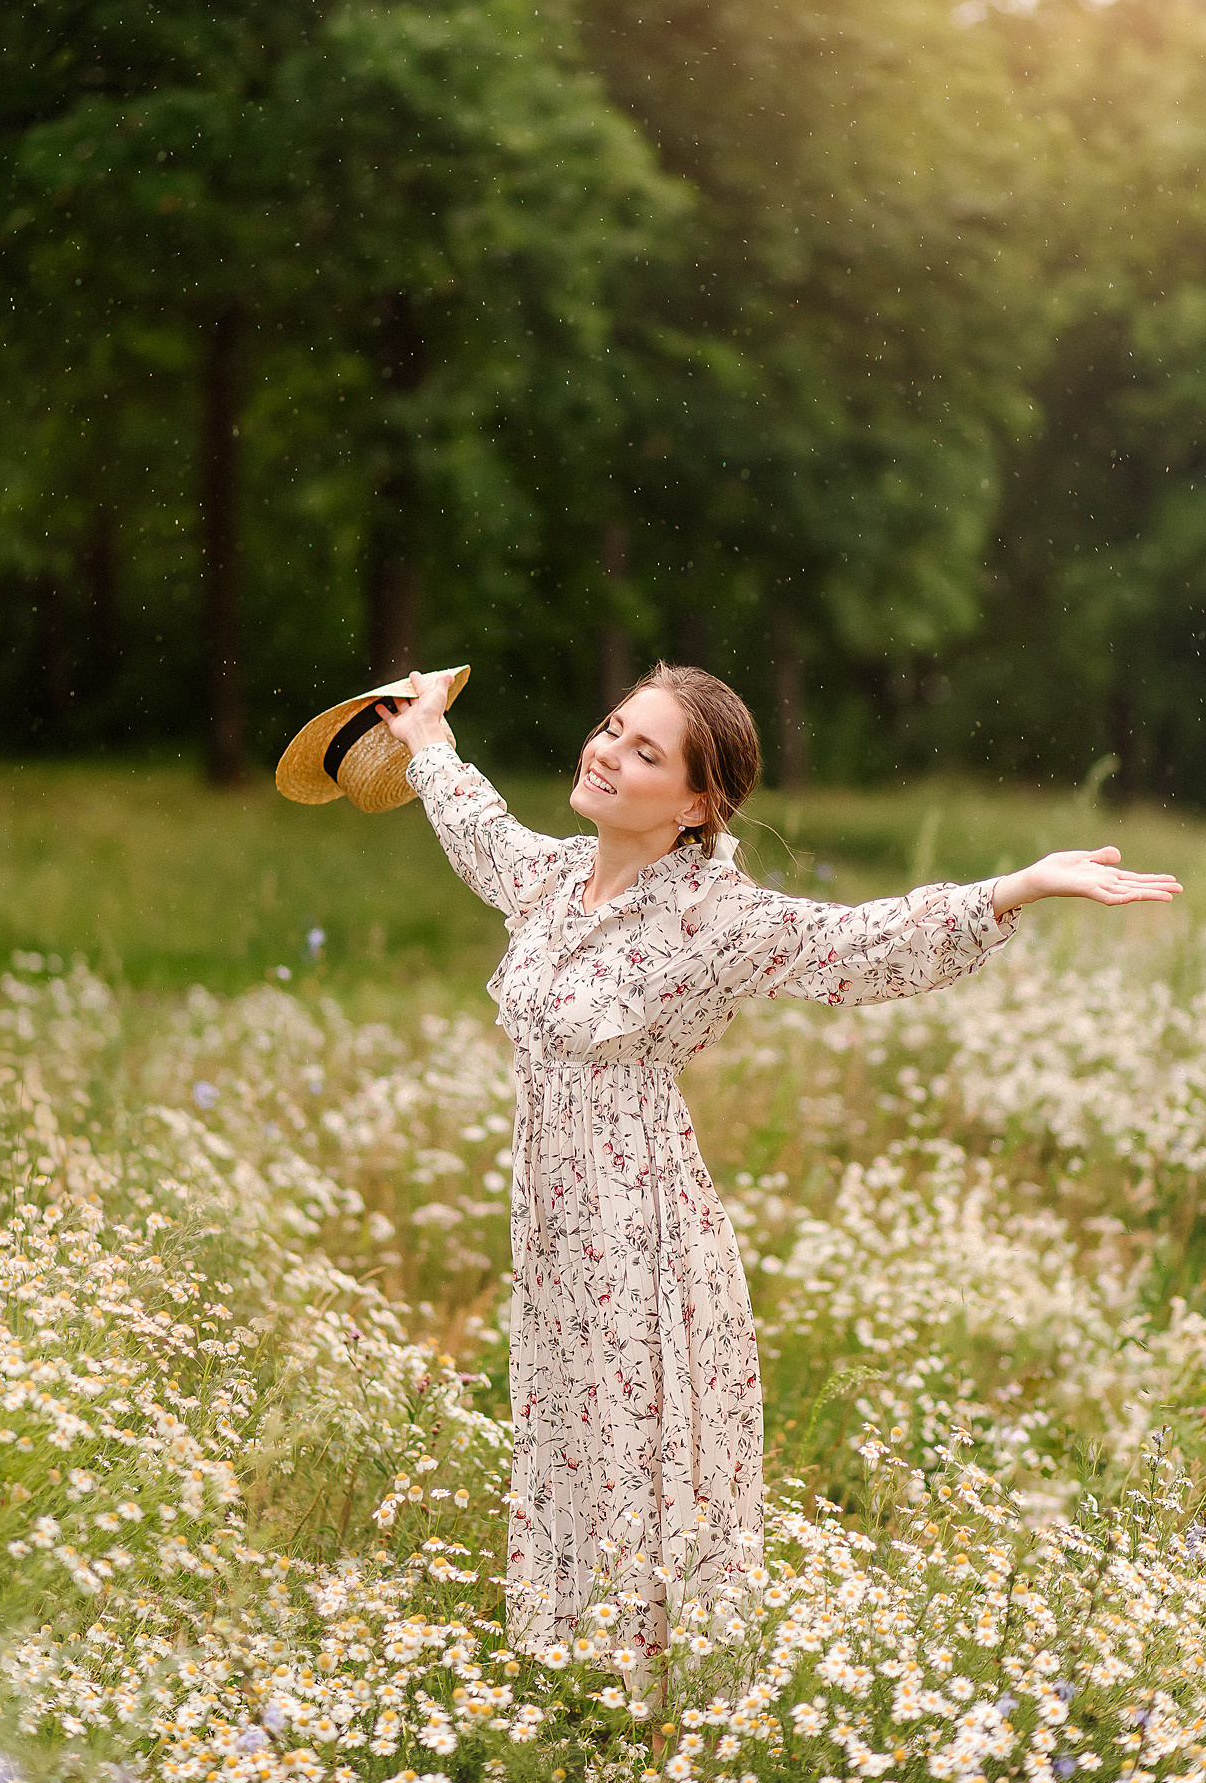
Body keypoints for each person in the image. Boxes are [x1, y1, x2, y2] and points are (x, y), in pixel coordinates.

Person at [379, 662, 1181, 1677]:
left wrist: (1012, 888)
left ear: (697, 803)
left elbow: (857, 942)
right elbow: (479, 832)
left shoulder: (714, 917)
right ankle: (563, 1676)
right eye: (611, 727)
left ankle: (644, 1695)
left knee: (632, 1445)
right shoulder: (552, 883)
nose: (607, 752)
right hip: (551, 1227)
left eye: (645, 750)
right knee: (565, 1435)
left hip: (640, 1231)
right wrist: (427, 740)